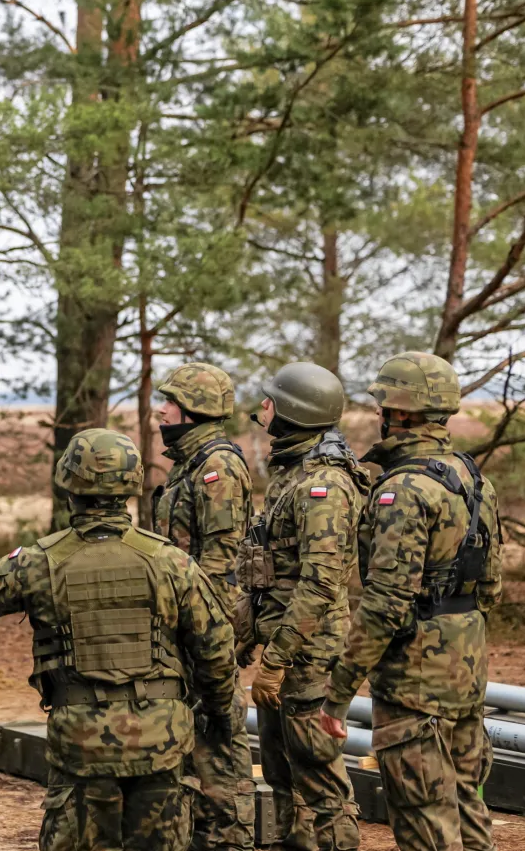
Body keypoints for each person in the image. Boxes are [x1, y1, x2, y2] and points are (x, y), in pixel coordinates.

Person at [0, 428, 237, 851]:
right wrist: (219, 716)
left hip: (82, 745)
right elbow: (216, 650)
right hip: (161, 741)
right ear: (130, 486)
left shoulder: (41, 561)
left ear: (68, 487)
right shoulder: (172, 562)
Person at [320, 352, 502, 851]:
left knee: (425, 821)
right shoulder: (473, 479)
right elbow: (491, 588)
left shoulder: (403, 488)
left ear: (398, 412)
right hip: (467, 672)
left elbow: (384, 602)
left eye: (383, 405)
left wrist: (339, 690)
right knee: (469, 809)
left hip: (414, 682)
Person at [236, 363, 364, 851]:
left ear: (293, 411)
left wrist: (277, 659)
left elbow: (320, 584)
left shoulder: (325, 486)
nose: (262, 408)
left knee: (318, 774)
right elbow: (274, 571)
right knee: (279, 766)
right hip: (283, 647)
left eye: (270, 401)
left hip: (307, 655)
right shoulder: (292, 472)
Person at [149, 364, 255, 851]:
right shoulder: (189, 463)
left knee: (218, 734)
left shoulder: (219, 467)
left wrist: (196, 626)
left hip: (204, 622)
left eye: (168, 402)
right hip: (184, 620)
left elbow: (219, 558)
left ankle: (229, 837)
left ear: (193, 409)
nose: (160, 410)